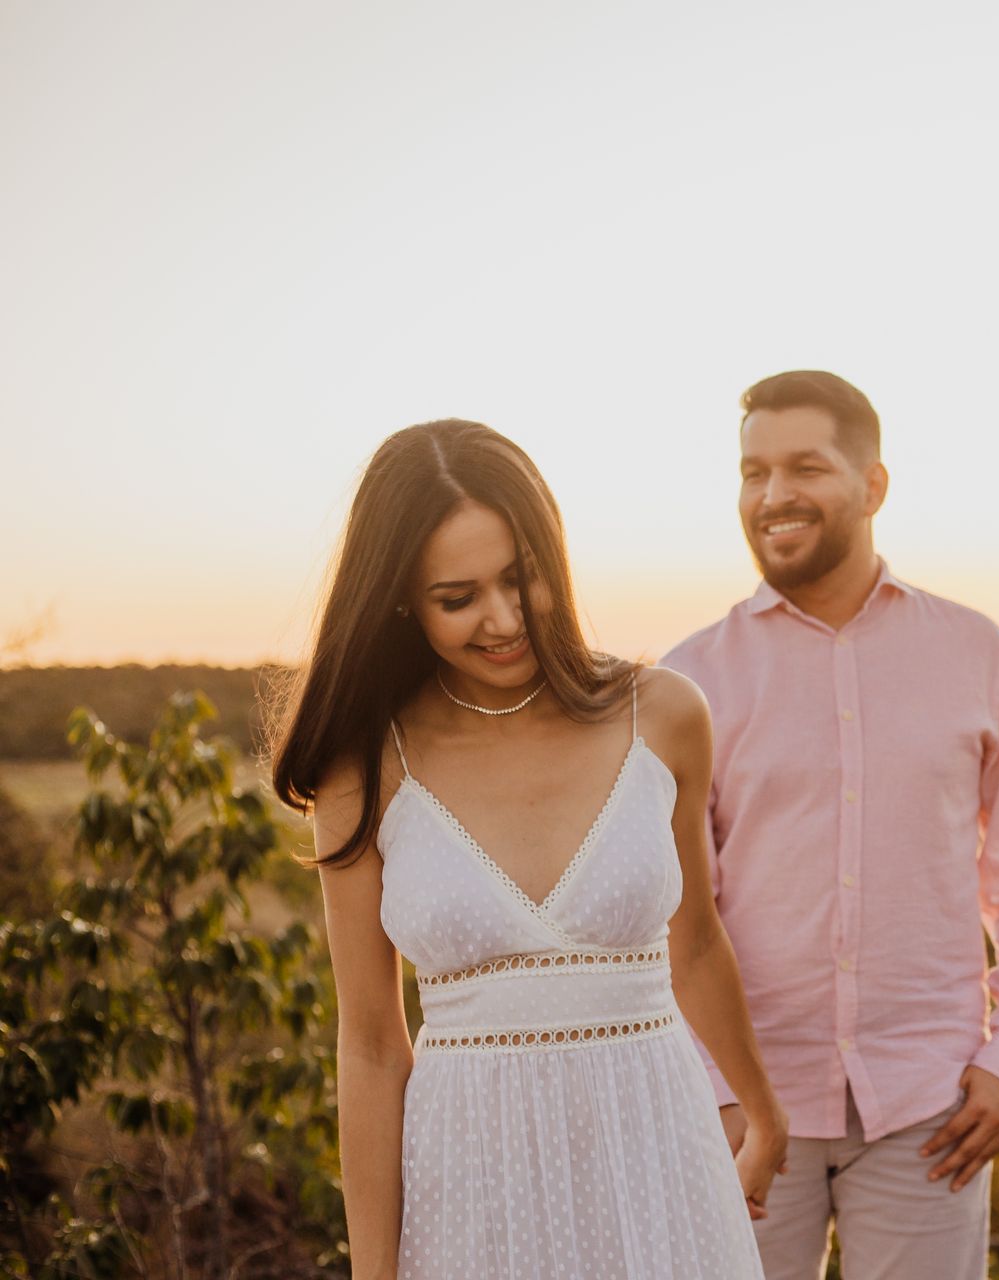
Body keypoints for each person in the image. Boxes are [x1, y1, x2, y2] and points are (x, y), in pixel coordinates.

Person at [272, 419, 785, 1279]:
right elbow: (369, 1043)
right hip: (472, 1186)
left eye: (521, 577)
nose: (503, 619)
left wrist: (764, 1116)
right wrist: (373, 1271)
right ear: (401, 597)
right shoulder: (364, 762)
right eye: (458, 597)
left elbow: (694, 939)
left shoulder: (663, 714)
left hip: (660, 1159)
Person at [659, 371, 999, 1280]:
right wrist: (715, 1090)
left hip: (932, 1108)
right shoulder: (690, 681)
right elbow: (675, 921)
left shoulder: (974, 652)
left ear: (874, 485)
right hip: (745, 1109)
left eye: (805, 467)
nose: (774, 497)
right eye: (753, 472)